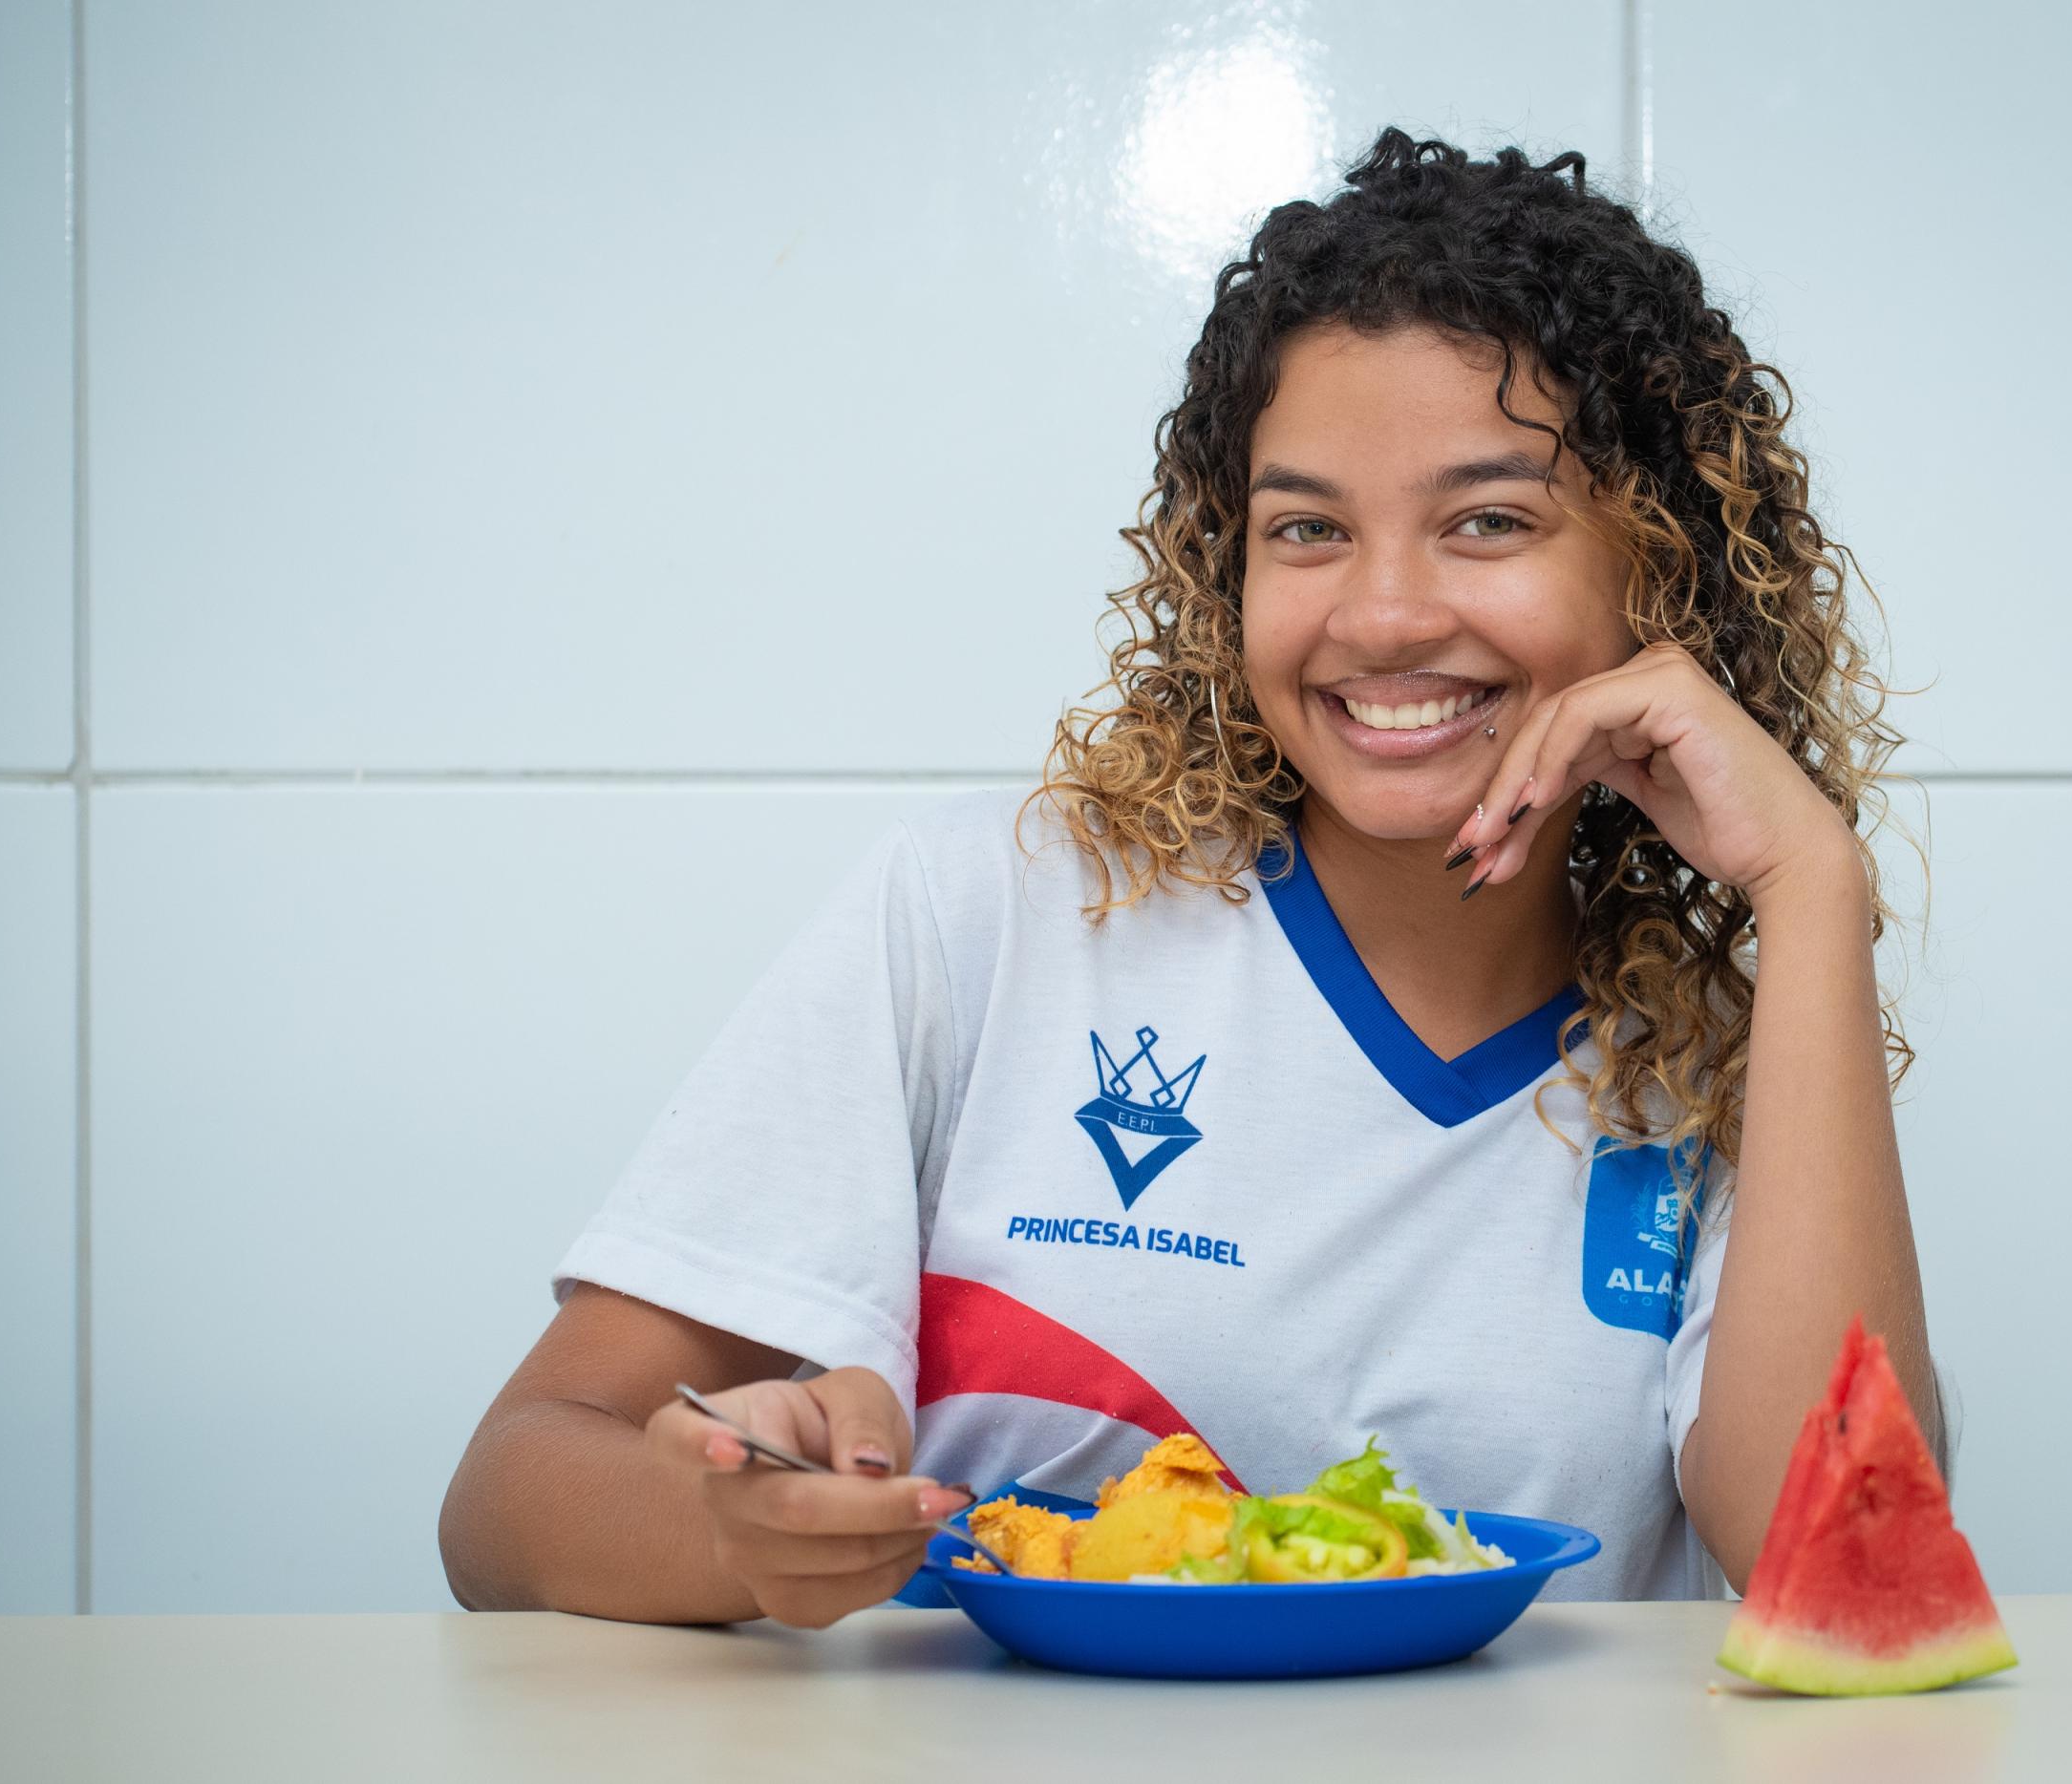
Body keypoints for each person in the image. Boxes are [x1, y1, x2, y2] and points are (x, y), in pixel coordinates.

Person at [438, 129, 1935, 1628]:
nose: (1384, 614)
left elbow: (1849, 1590)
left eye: (1489, 520)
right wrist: (739, 1534)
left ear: (1659, 570)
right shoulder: (988, 915)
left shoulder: (1727, 1059)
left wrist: (1812, 885)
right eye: (1307, 529)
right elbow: (507, 1497)